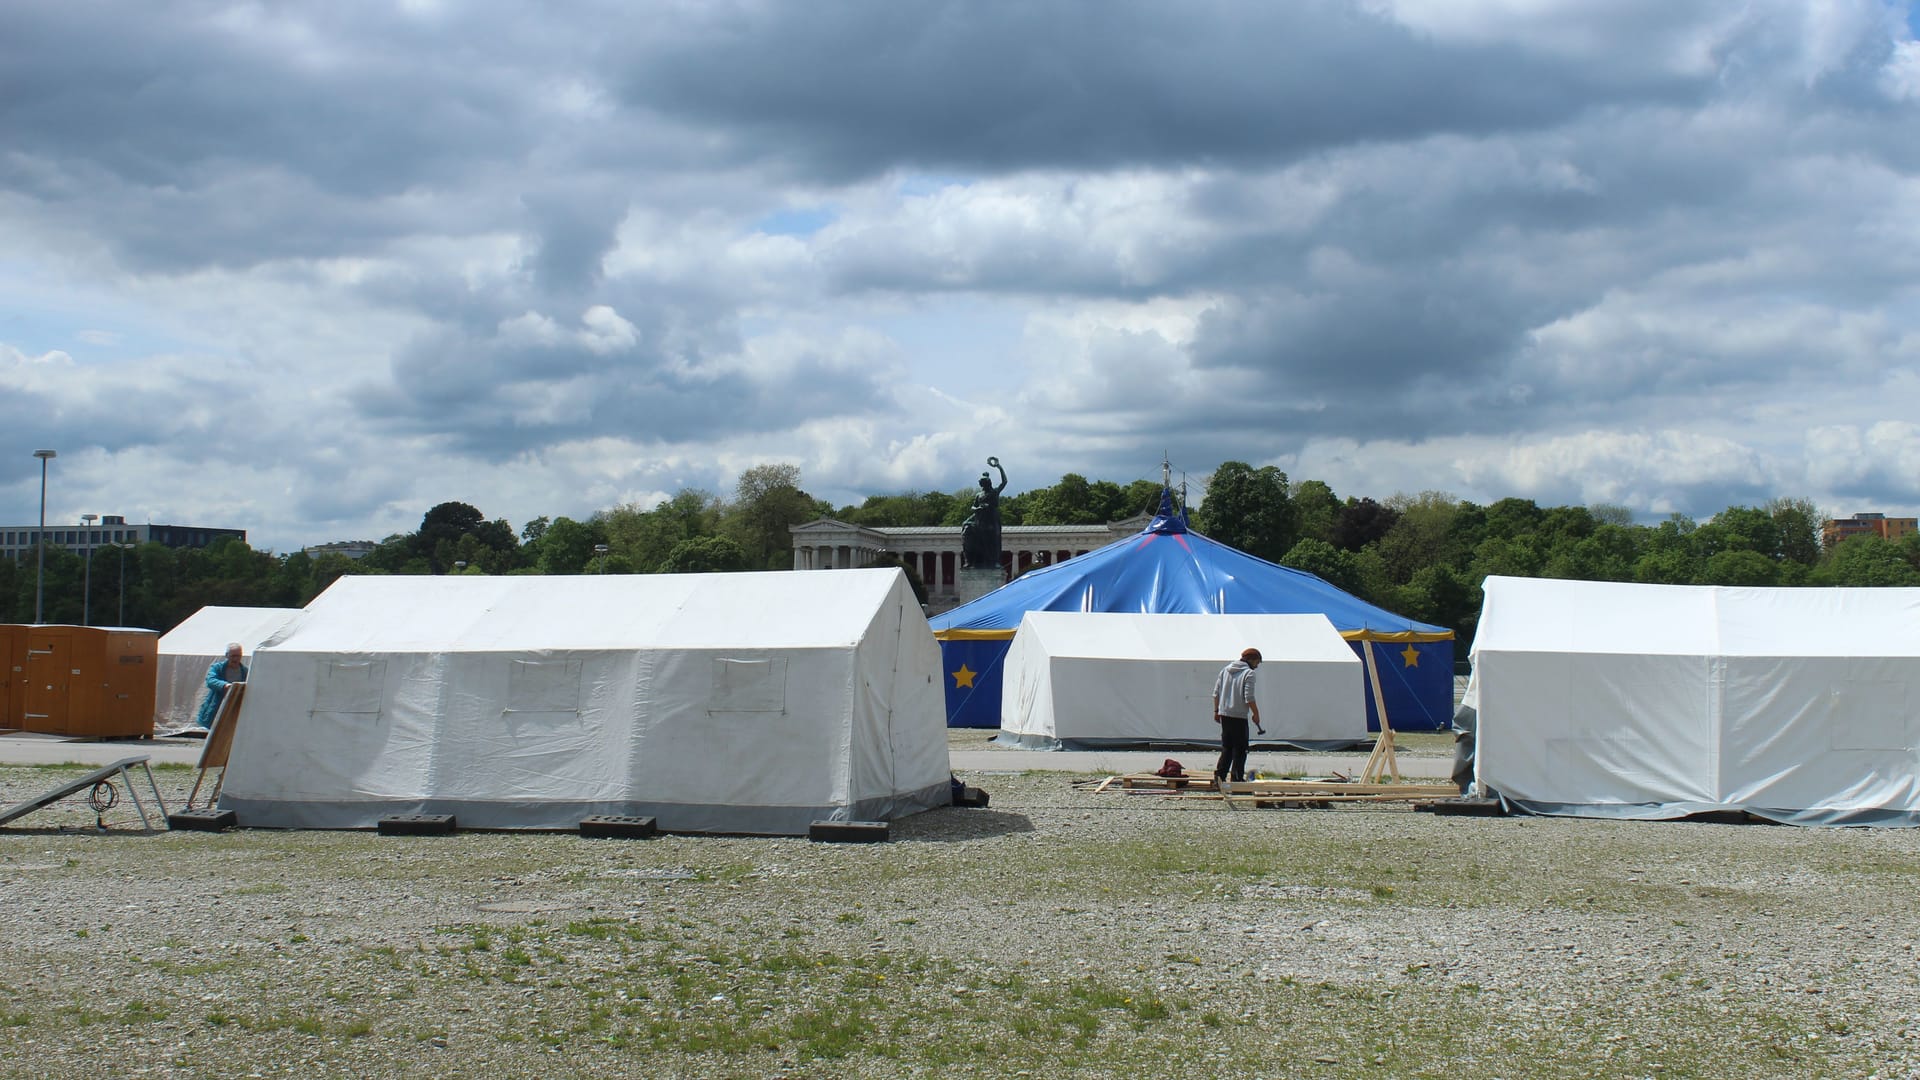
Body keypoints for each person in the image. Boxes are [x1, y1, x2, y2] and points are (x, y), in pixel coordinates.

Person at [1211, 647, 1264, 788]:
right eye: (1257, 662)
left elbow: (1216, 693)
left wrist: (1216, 710)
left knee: (1227, 747)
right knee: (1240, 749)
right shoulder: (1249, 673)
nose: (1257, 666)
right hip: (1239, 716)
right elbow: (1249, 697)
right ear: (1251, 660)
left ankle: (1219, 777)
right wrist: (1256, 713)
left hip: (1225, 714)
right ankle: (1236, 779)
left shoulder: (1225, 670)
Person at [194, 642, 248, 731]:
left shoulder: (245, 671)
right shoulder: (217, 668)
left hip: (234, 708)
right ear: (227, 655)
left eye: (238, 656)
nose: (236, 659)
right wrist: (224, 685)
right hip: (216, 706)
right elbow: (210, 680)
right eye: (233, 656)